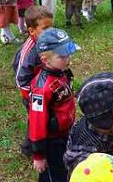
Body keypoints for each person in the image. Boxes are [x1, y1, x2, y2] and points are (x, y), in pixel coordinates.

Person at [29, 28, 78, 182]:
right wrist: (39, 155)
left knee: (64, 168)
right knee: (53, 174)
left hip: (65, 132)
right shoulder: (41, 89)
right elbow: (36, 122)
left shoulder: (61, 71)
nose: (68, 59)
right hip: (52, 141)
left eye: (68, 54)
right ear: (45, 60)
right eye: (62, 56)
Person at [12, 6, 54, 157]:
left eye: (52, 27)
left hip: (45, 88)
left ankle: (49, 139)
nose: (50, 31)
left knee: (49, 116)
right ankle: (29, 148)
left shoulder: (47, 41)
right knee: (36, 120)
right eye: (45, 28)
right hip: (32, 94)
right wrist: (33, 95)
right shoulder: (30, 52)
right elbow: (20, 78)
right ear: (32, 31)